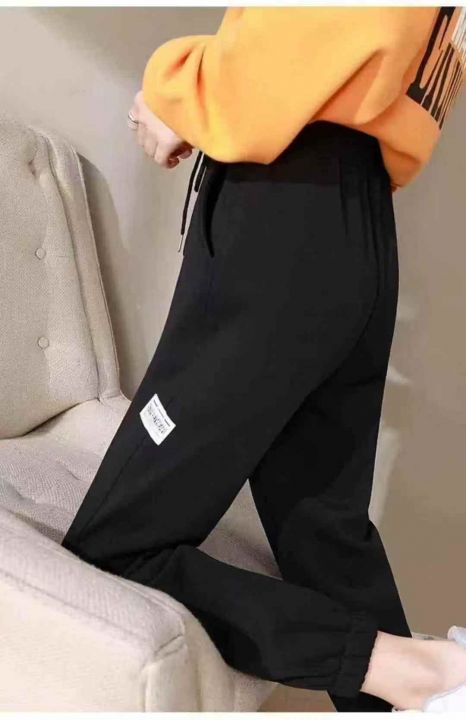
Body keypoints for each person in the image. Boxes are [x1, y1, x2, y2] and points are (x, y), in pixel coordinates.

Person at [61, 7, 466, 713]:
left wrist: (178, 91)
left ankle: (422, 673)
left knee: (116, 549)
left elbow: (309, 30)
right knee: (326, 543)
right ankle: (427, 691)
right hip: (357, 217)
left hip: (282, 210)